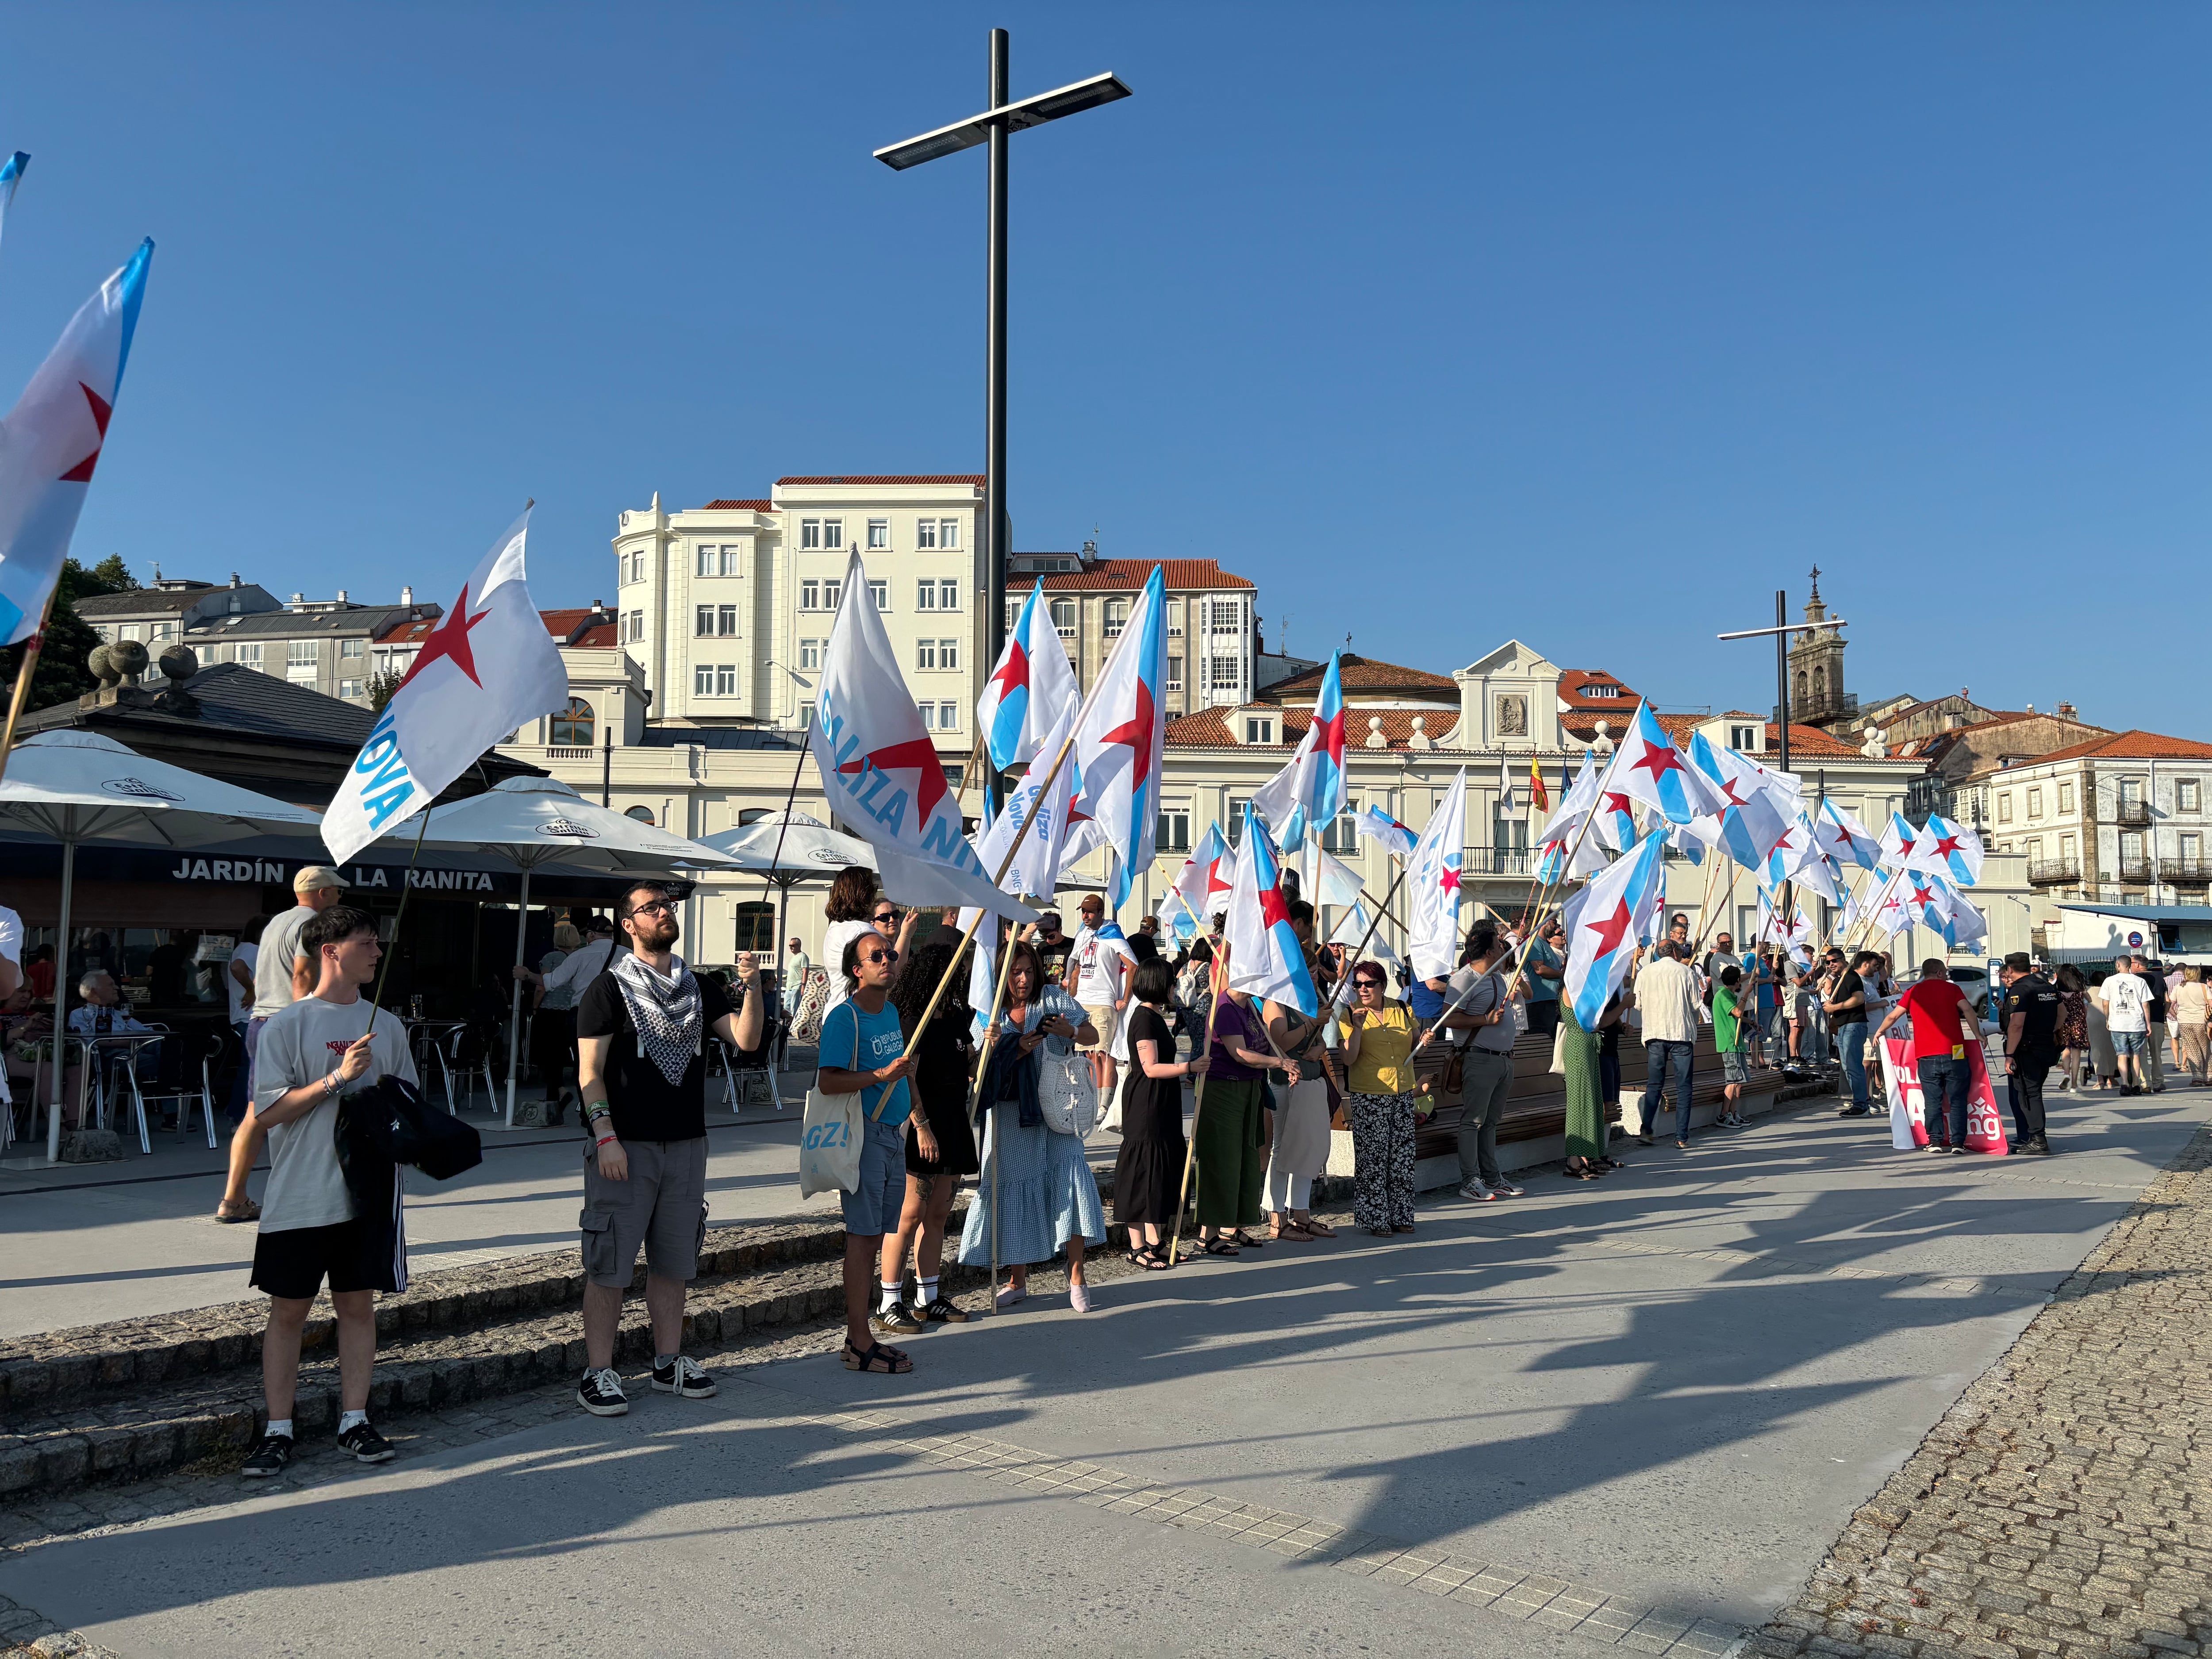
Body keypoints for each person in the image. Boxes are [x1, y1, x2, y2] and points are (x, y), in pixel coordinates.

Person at [239, 903, 418, 1476]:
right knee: (288, 1310)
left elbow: (408, 1105)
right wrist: (335, 1080)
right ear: (331, 951)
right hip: (299, 1194)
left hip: (365, 1194)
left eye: (377, 941)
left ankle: (355, 1419)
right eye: (367, 942)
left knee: (357, 1306)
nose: (377, 951)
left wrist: (388, 1106)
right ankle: (278, 1427)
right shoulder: (287, 1025)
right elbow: (267, 1111)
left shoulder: (386, 1025)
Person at [572, 883, 764, 1415]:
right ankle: (598, 1371)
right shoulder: (607, 990)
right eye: (651, 908)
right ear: (628, 924)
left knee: (675, 1262)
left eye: (667, 906)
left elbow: (746, 1042)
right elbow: (589, 1075)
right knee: (609, 1262)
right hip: (624, 1146)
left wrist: (751, 989)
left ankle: (667, 1361)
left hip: (686, 1144)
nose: (663, 913)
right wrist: (604, 1136)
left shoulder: (698, 986)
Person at [956, 940, 1106, 1307]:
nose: (1022, 980)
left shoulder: (1052, 998)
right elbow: (974, 1070)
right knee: (1012, 1192)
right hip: (1010, 1116)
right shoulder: (989, 1012)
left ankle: (1076, 1279)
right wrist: (999, 1047)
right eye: (1014, 973)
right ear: (1001, 976)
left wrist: (1068, 1032)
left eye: (1027, 971)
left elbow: (1093, 1035)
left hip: (1057, 1110)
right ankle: (1017, 1279)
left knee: (1070, 1184)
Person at [813, 926, 929, 1364]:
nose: (888, 960)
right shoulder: (847, 1018)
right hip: (863, 1135)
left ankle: (861, 1334)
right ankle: (857, 1339)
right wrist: (879, 1077)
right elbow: (827, 1081)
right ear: (857, 970)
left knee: (878, 1234)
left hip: (892, 1134)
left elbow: (904, 1074)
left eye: (891, 954)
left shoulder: (890, 1012)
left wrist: (920, 1121)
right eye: (876, 956)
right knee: (861, 1239)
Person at [219, 868, 349, 1224]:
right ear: (323, 893)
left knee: (256, 1113)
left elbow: (264, 975)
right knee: (309, 1109)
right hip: (287, 1021)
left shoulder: (276, 923)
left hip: (260, 1021)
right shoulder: (313, 925)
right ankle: (306, 1196)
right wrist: (304, 1023)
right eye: (337, 891)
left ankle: (234, 1198)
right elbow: (303, 976)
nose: (340, 897)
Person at [883, 939, 979, 1327]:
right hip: (923, 1125)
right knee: (910, 1214)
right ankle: (890, 1298)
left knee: (938, 1212)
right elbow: (908, 1076)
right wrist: (921, 1126)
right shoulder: (913, 1019)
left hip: (955, 1121)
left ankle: (929, 1295)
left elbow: (968, 1061)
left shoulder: (957, 1017)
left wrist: (987, 1048)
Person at [1190, 985, 1294, 1255]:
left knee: (1246, 1158)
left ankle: (1230, 1224)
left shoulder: (1250, 1006)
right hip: (1224, 1089)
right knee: (1221, 1159)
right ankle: (1208, 1233)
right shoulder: (1224, 1007)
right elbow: (1240, 1053)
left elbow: (1261, 1045)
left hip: (1249, 1089)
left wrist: (1283, 1061)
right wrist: (1278, 1063)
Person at [1116, 957, 1203, 1269]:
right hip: (1146, 1102)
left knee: (1161, 1170)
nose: (1174, 986)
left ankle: (1155, 1241)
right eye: (1171, 981)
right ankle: (1137, 1245)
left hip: (1163, 1101)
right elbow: (1150, 1067)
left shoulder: (1154, 1017)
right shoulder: (1143, 1019)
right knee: (1144, 1170)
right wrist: (1189, 1067)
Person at [1261, 908, 1336, 1243]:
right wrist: (1311, 1024)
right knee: (1282, 1149)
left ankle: (1302, 1213)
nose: (1315, 976)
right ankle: (1277, 1216)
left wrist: (1317, 1046)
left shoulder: (1311, 1001)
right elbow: (1282, 1040)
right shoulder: (1276, 1002)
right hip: (1283, 1084)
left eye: (1316, 970)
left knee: (1307, 1148)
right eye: (1308, 971)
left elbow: (1319, 1045)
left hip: (1310, 1080)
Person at [1434, 924, 1520, 1202]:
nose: (1502, 949)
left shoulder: (1496, 977)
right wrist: (1484, 1020)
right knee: (1473, 1120)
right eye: (1498, 945)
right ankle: (1470, 1179)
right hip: (1479, 1058)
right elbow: (1447, 1019)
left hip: (1503, 1060)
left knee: (1491, 1122)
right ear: (1488, 950)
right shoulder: (1464, 979)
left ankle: (1492, 1177)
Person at [1339, 959, 1424, 1237]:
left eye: (1369, 984)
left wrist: (1425, 1041)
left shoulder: (1401, 1008)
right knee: (1372, 1160)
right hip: (1370, 1094)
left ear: (1383, 985)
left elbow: (1414, 1048)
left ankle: (1401, 1215)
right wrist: (1359, 1028)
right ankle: (1375, 1219)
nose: (1363, 990)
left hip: (1401, 1091)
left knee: (1402, 1156)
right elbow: (1349, 1059)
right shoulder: (1348, 1015)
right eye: (1358, 984)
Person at [1874, 959, 1979, 1154]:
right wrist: (1978, 1035)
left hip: (1927, 1054)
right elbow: (1968, 1010)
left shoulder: (1914, 992)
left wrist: (1880, 1032)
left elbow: (1893, 1016)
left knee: (1932, 1101)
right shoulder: (1953, 990)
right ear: (1939, 973)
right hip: (1955, 1052)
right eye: (1945, 972)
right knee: (1957, 1100)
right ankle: (1958, 1144)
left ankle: (1935, 1142)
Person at [1636, 942, 1703, 1148]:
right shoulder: (1686, 972)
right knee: (1684, 1087)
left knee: (1654, 1085)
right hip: (1681, 1033)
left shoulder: (1645, 973)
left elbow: (1637, 1005)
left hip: (1655, 1033)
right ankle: (1681, 1137)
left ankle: (1647, 1130)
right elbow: (1695, 1004)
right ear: (1674, 952)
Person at [1068, 894, 1129, 1098]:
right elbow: (1075, 964)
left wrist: (1125, 998)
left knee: (1101, 1054)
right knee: (1085, 1054)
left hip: (1103, 1001)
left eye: (1090, 912)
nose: (1085, 916)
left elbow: (1132, 964)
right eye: (1083, 912)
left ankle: (1103, 1102)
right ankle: (1089, 1097)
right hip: (1081, 1001)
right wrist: (1069, 991)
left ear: (1101, 913)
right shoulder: (1082, 935)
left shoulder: (1112, 934)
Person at [1997, 952, 2058, 1155]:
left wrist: (2009, 1054)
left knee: (2028, 1095)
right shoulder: (2046, 985)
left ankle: (2038, 1140)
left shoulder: (2021, 990)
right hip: (2046, 1045)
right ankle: (2033, 1137)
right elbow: (2063, 1013)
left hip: (2027, 1049)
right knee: (2035, 1092)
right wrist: (2049, 1031)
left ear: (2011, 970)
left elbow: (2016, 1025)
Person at [817, 865, 887, 1023]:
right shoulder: (863, 932)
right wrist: (905, 935)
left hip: (835, 1011)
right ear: (864, 894)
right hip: (860, 1016)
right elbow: (886, 975)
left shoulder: (835, 927)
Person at [222, 917, 267, 1123]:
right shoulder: (251, 949)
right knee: (252, 1068)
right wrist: (252, 989)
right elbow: (238, 968)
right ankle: (240, 1115)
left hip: (245, 1017)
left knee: (252, 1067)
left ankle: (239, 1113)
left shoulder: (243, 948)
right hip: (250, 1017)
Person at [1824, 951, 1874, 1117]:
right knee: (1848, 1067)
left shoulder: (1851, 977)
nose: (1831, 964)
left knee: (1853, 1067)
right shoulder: (1838, 980)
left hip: (1853, 1026)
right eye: (1828, 962)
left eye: (1834, 961)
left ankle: (1862, 1105)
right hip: (1845, 1027)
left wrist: (1835, 1008)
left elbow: (1859, 999)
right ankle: (1859, 1102)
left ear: (1843, 960)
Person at [2101, 957, 2151, 1095]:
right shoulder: (2140, 981)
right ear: (2130, 965)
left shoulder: (2109, 981)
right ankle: (2136, 1084)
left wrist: (2108, 1018)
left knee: (2122, 1055)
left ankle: (2124, 1084)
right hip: (2136, 1023)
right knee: (2136, 1055)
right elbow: (2146, 1004)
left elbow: (2105, 1003)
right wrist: (2148, 1023)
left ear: (2118, 965)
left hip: (2118, 1023)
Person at [1711, 966, 1748, 1128]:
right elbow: (1737, 1012)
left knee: (1740, 1080)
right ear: (1738, 981)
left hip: (1737, 1043)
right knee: (1732, 1080)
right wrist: (1747, 993)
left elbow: (1737, 1017)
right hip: (1729, 1043)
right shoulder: (1723, 995)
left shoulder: (1730, 995)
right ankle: (1723, 1115)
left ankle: (1733, 1112)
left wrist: (1752, 1022)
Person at [1521, 918, 1565, 1037]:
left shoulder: (1544, 943)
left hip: (1550, 1000)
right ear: (1544, 921)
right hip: (1539, 1002)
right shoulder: (1534, 942)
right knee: (1541, 1039)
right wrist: (1561, 975)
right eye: (1554, 921)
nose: (1556, 926)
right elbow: (1539, 969)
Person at [2054, 962, 2090, 1090]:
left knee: (2066, 1051)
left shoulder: (2057, 992)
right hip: (2078, 1024)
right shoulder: (2079, 990)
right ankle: (2074, 1085)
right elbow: (2089, 1001)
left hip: (2063, 1024)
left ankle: (2066, 1074)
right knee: (2077, 1054)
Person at [2135, 956, 2169, 1094]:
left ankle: (2145, 1083)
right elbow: (2168, 1001)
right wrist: (2164, 1015)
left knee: (2142, 1054)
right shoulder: (2160, 978)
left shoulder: (2134, 979)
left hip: (2139, 1021)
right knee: (2157, 1054)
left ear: (2137, 965)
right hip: (2158, 1020)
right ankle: (2159, 1082)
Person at [2174, 965, 2211, 1086]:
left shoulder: (2179, 987)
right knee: (2205, 1049)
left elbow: (2171, 1002)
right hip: (2201, 1020)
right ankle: (2209, 1075)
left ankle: (2197, 1077)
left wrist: (2174, 1014)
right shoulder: (2204, 987)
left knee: (2192, 1049)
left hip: (2185, 1021)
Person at [1033, 912, 1072, 987]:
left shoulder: (1072, 945)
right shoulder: (1042, 947)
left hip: (1067, 991)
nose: (1048, 941)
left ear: (1060, 930)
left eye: (1051, 937)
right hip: (1046, 991)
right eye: (1044, 937)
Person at [782, 937, 812, 1018]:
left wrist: (803, 986)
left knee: (794, 1008)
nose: (791, 947)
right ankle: (788, 1025)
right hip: (789, 986)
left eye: (793, 945)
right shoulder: (794, 957)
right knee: (786, 1008)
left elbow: (805, 971)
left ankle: (794, 1026)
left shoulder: (803, 956)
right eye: (790, 946)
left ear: (798, 946)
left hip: (797, 986)